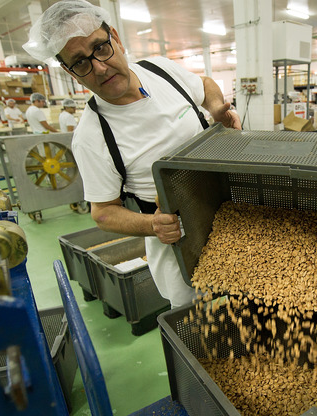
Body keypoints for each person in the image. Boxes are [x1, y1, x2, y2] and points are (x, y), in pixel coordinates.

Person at [23, 0, 239, 308]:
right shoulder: (92, 137)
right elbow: (102, 212)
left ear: (116, 39)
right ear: (71, 73)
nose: (98, 66)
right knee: (209, 335)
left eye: (100, 48)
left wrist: (217, 108)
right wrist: (152, 225)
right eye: (81, 62)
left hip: (235, 217)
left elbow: (203, 85)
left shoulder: (159, 69)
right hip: (185, 250)